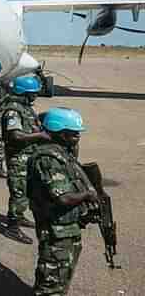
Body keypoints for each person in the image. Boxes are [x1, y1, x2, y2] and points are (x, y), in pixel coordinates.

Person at [27, 107, 97, 295]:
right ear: (60, 133)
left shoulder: (62, 153)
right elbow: (63, 198)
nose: (77, 138)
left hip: (66, 228)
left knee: (61, 277)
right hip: (55, 230)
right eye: (73, 134)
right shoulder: (48, 159)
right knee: (51, 284)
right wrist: (87, 195)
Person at [1, 75, 50, 244]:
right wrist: (40, 136)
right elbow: (15, 135)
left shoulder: (25, 107)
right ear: (24, 93)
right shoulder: (13, 110)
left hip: (27, 156)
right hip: (18, 158)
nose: (35, 96)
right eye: (33, 93)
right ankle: (12, 228)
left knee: (26, 190)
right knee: (19, 192)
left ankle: (19, 216)